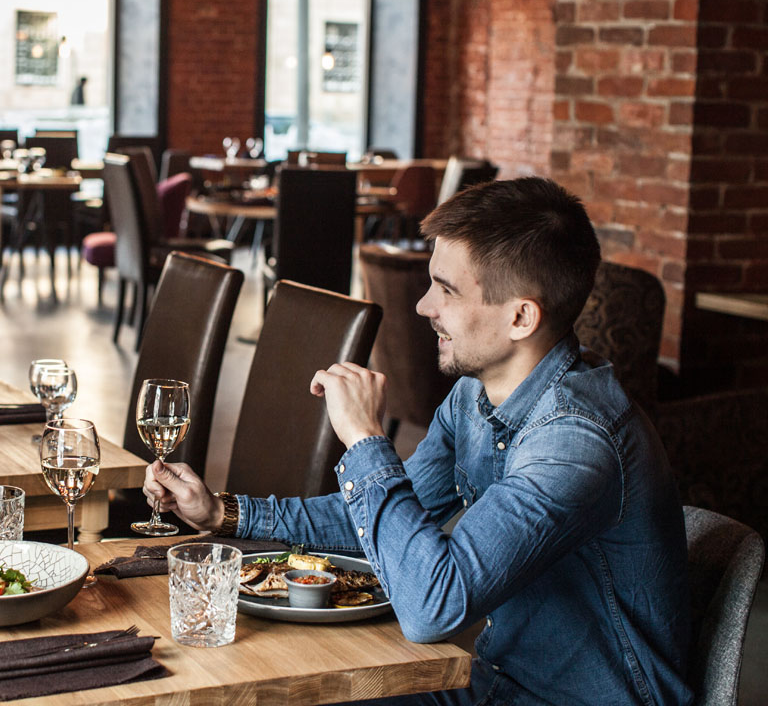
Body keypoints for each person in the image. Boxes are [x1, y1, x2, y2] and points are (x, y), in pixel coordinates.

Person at [144, 177, 692, 706]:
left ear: (520, 317)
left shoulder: (576, 442)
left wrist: (363, 439)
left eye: (446, 290)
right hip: (493, 681)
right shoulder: (473, 397)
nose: (423, 306)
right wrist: (223, 513)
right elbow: (376, 525)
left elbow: (434, 606)